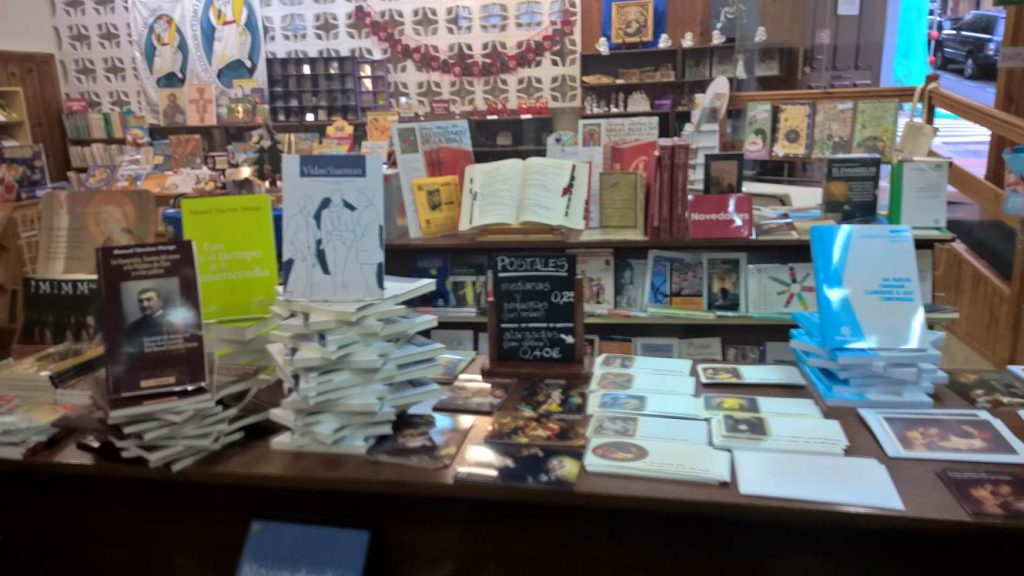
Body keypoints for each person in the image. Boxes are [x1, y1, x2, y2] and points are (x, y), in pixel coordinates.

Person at [124, 287, 179, 356]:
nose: (144, 305)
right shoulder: (132, 327)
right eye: (141, 301)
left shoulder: (174, 324)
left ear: (160, 302)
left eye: (149, 300)